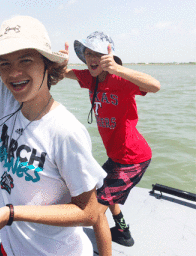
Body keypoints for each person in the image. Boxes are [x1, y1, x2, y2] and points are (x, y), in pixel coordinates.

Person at [0, 4, 112, 256]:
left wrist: (11, 214)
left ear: (48, 65)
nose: (14, 72)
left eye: (26, 59)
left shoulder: (64, 132)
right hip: (12, 246)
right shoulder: (8, 99)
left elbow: (89, 212)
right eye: (5, 63)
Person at [61, 31, 161, 247]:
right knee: (103, 189)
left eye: (97, 53)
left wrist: (118, 69)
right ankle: (123, 230)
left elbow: (155, 85)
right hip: (116, 156)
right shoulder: (90, 78)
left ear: (109, 57)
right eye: (87, 53)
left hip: (133, 159)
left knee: (94, 211)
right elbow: (63, 74)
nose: (91, 58)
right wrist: (58, 64)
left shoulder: (120, 79)